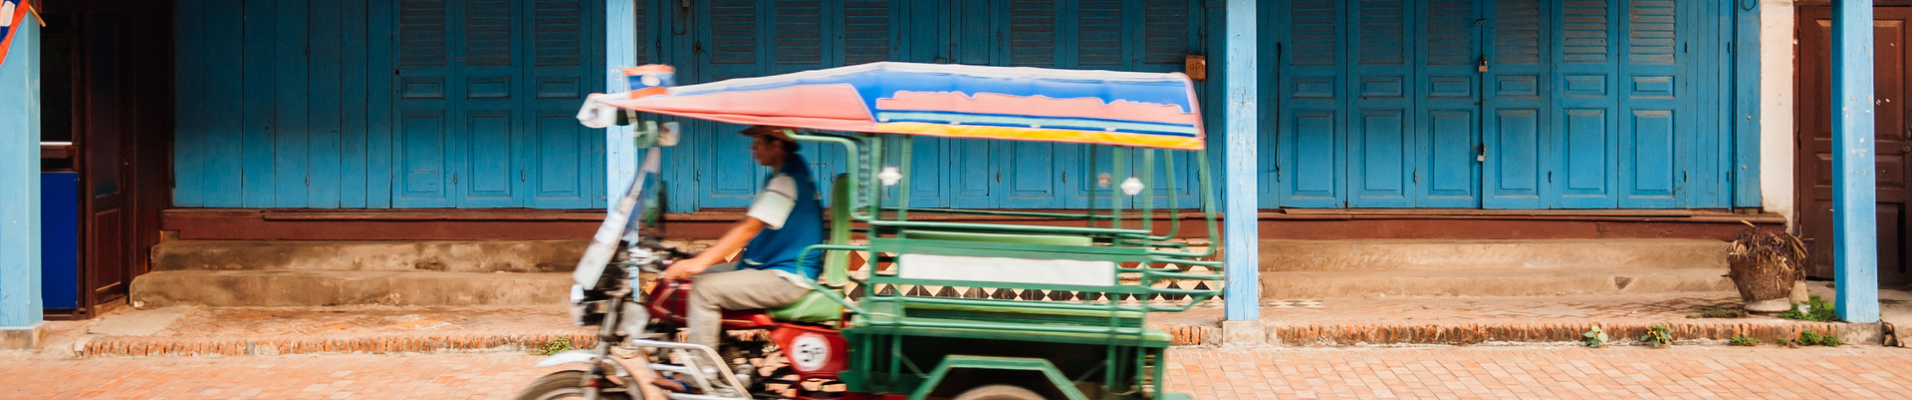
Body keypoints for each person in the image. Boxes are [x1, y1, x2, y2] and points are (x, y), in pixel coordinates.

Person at [659, 125, 824, 353]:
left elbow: (749, 227)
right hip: (776, 268)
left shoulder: (785, 181)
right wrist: (696, 261)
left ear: (776, 144)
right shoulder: (788, 171)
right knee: (694, 278)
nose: (752, 146)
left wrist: (699, 262)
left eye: (758, 141)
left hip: (786, 276)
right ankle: (723, 350)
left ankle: (703, 372)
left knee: (704, 290)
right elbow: (750, 223)